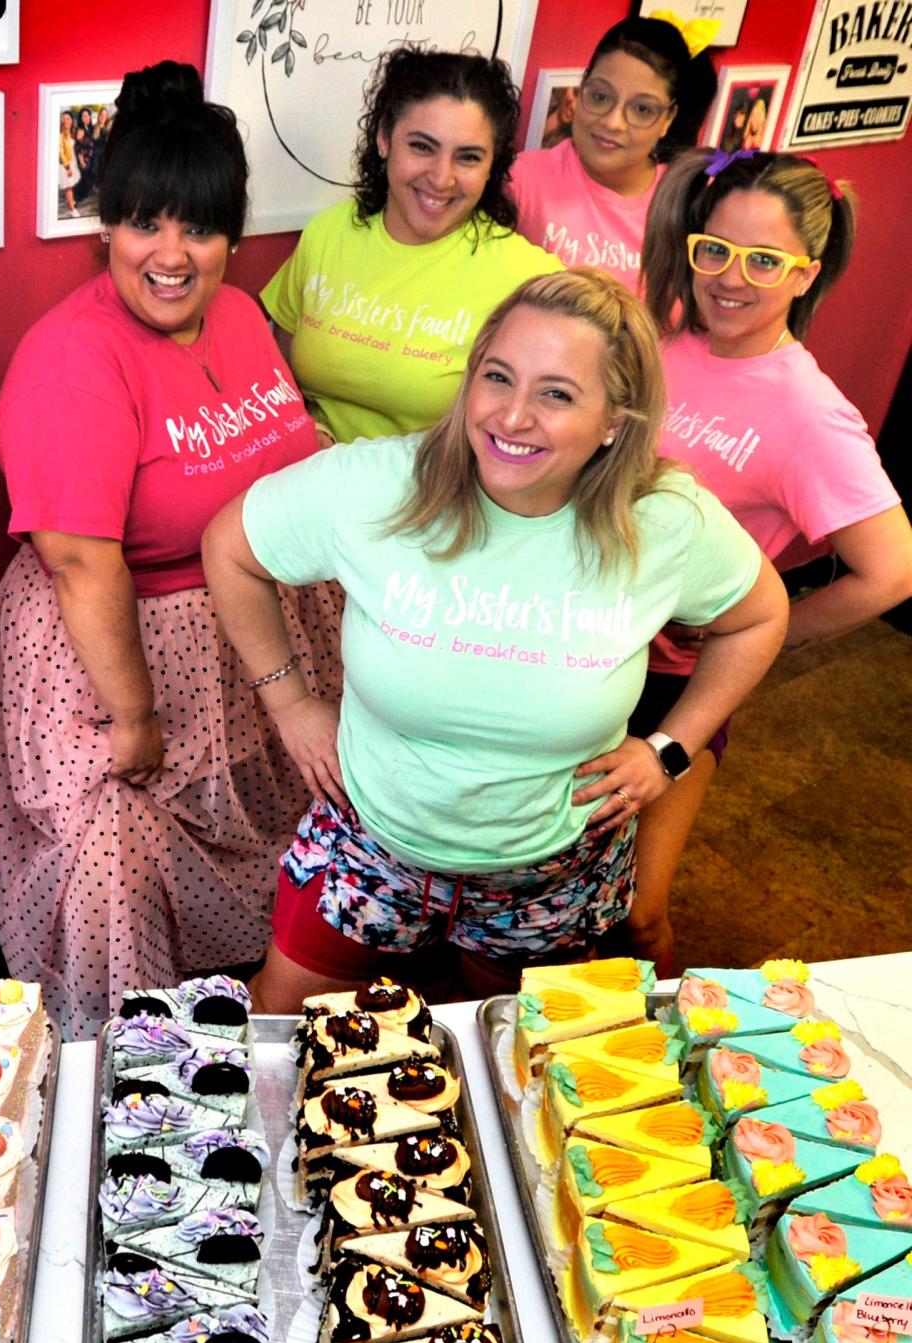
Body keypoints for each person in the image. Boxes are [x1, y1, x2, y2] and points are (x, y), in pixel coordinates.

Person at [202, 269, 789, 1014]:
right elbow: (231, 547)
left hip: (549, 871)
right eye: (497, 377)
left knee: (508, 1051)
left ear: (615, 419)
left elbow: (759, 616)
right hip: (372, 843)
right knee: (278, 1024)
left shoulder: (664, 520)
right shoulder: (377, 484)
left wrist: (669, 749)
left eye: (556, 393)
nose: (512, 416)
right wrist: (287, 701)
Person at [0, 61, 338, 1039]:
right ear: (107, 227)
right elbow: (83, 562)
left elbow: (282, 444)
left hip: (246, 636)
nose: (173, 254)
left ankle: (259, 1025)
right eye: (146, 222)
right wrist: (134, 720)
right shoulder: (68, 363)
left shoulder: (240, 311)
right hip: (116, 654)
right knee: (115, 866)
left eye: (202, 226)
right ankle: (128, 1067)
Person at [621, 148, 912, 969]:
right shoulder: (668, 344)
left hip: (676, 686)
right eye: (712, 249)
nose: (729, 277)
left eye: (763, 260)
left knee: (640, 915)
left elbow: (892, 571)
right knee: (562, 884)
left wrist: (751, 636)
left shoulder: (809, 411)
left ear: (806, 273)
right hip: (586, 652)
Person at [261, 46, 559, 445]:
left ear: (493, 167)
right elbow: (276, 368)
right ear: (384, 138)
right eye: (421, 147)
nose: (441, 178)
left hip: (429, 496)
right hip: (307, 471)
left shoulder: (530, 280)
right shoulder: (327, 232)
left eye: (468, 158)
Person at [510, 14, 716, 288]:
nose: (612, 122)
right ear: (582, 87)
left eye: (642, 109)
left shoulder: (687, 202)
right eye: (600, 97)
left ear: (668, 119)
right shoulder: (521, 179)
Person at [58, 109, 80, 218]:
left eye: (68, 119)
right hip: (65, 164)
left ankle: (71, 202)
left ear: (71, 120)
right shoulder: (60, 135)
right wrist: (67, 167)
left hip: (72, 161)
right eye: (64, 119)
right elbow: (60, 152)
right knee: (68, 186)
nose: (66, 121)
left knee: (70, 185)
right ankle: (72, 210)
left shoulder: (72, 133)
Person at [74, 106, 96, 203]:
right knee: (84, 178)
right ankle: (77, 197)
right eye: (83, 116)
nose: (86, 118)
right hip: (83, 158)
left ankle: (83, 193)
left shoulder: (90, 128)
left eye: (87, 116)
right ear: (81, 118)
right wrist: (82, 160)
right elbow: (78, 147)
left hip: (90, 157)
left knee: (88, 178)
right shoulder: (81, 130)